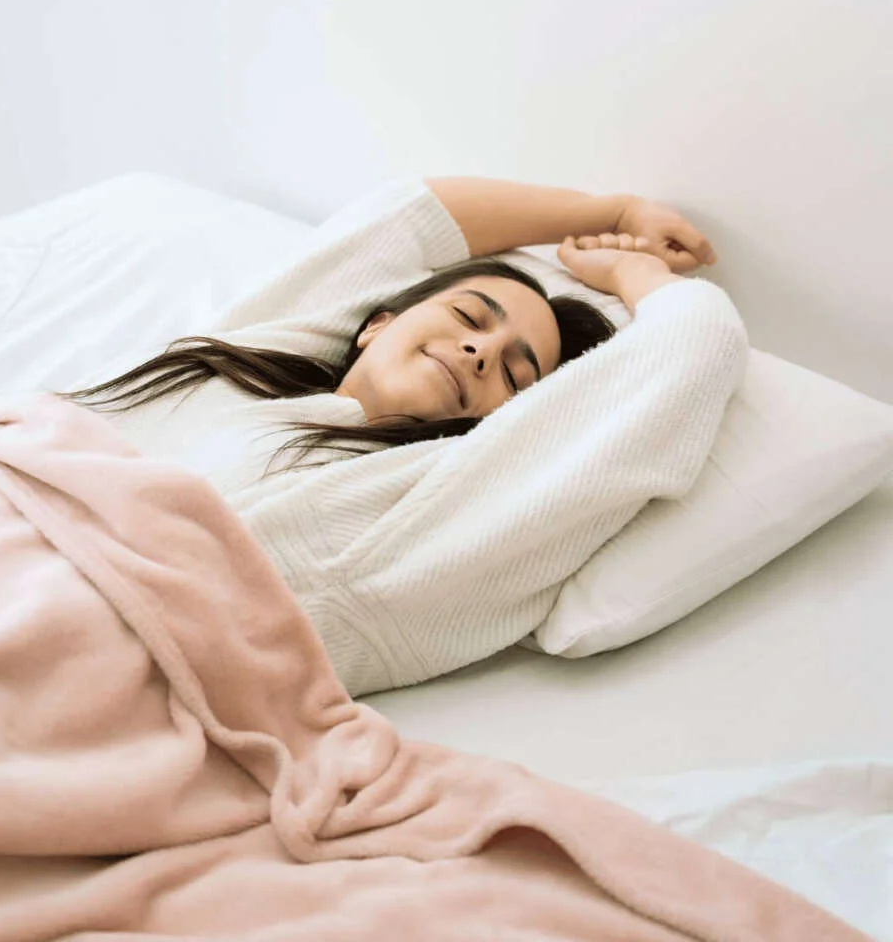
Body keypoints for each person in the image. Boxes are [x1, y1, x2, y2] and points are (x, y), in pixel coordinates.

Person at [62, 176, 747, 697]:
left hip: (86, 646)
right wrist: (615, 212)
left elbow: (693, 348)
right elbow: (414, 213)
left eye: (515, 372)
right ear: (377, 323)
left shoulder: (433, 504)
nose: (480, 352)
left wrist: (635, 274)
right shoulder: (251, 363)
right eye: (470, 317)